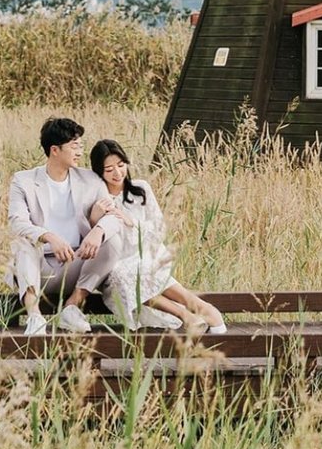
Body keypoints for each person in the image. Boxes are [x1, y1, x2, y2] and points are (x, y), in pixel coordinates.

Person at [89, 139, 226, 334]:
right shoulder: (96, 198)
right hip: (114, 263)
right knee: (122, 275)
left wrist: (131, 221)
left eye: (121, 166)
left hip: (145, 253)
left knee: (139, 270)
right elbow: (93, 240)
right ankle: (188, 314)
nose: (117, 173)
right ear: (98, 171)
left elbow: (159, 230)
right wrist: (95, 218)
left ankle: (198, 307)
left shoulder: (140, 189)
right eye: (109, 169)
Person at [7, 116, 123, 336]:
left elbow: (114, 217)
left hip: (77, 264)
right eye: (74, 146)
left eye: (81, 145)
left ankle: (71, 307)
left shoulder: (90, 180)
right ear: (55, 150)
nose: (80, 151)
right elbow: (17, 222)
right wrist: (49, 236)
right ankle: (34, 316)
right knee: (23, 244)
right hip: (39, 269)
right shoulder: (23, 180)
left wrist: (97, 231)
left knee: (112, 241)